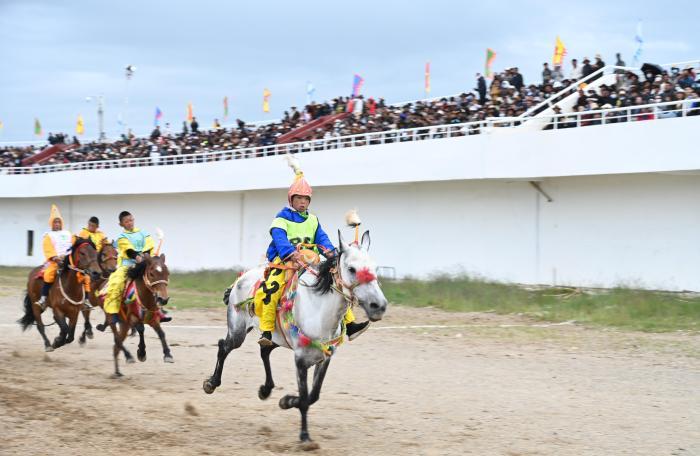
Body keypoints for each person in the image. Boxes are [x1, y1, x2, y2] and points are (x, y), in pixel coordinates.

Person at [253, 158, 369, 346]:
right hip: (285, 263)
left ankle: (350, 324)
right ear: (291, 200)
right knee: (272, 288)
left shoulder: (313, 220)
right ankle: (266, 331)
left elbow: (322, 239)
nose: (302, 202)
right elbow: (279, 238)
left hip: (311, 261)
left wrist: (333, 254)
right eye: (299, 198)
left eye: (306, 199)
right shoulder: (281, 218)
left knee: (336, 282)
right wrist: (291, 253)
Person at [103, 211, 155, 319]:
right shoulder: (122, 237)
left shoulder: (143, 233)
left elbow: (149, 245)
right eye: (126, 221)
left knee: (158, 277)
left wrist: (146, 257)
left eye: (131, 220)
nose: (130, 223)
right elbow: (129, 251)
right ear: (121, 224)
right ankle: (113, 312)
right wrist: (137, 257)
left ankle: (159, 309)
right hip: (127, 264)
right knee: (116, 283)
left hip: (145, 261)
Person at [35, 205, 74, 310]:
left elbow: (73, 244)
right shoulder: (48, 235)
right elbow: (48, 249)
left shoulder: (68, 233)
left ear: (61, 223)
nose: (57, 224)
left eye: (58, 222)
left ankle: (85, 299)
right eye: (55, 222)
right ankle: (43, 298)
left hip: (69, 259)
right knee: (49, 274)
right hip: (56, 261)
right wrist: (56, 258)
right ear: (51, 224)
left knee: (82, 275)